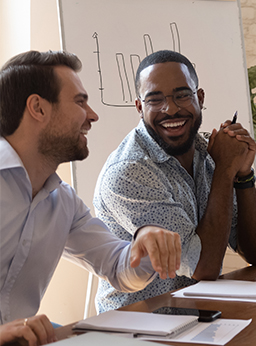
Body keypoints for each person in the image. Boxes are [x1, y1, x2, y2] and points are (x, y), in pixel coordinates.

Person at [0, 50, 182, 345]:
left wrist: (145, 242)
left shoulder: (63, 201)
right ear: (38, 108)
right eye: (79, 102)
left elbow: (118, 268)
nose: (93, 115)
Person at [93, 50, 256, 312]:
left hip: (197, 315)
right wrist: (224, 170)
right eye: (155, 99)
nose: (171, 108)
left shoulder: (207, 151)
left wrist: (243, 176)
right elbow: (203, 267)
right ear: (140, 107)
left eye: (182, 95)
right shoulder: (129, 171)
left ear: (200, 98)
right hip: (138, 327)